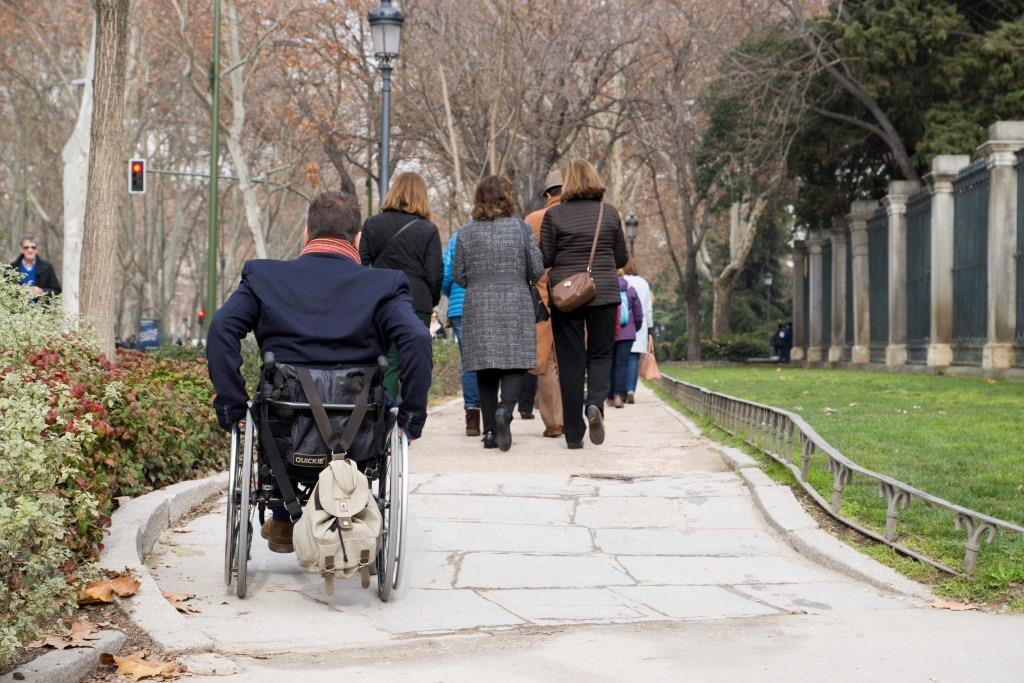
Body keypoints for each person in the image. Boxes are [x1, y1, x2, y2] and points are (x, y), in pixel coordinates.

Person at [206, 191, 433, 553]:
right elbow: (417, 340)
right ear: (357, 239)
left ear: (307, 233)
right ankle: (353, 507)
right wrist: (412, 415)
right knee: (375, 406)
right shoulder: (385, 284)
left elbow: (221, 330)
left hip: (284, 427)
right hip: (357, 428)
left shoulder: (264, 276)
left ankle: (283, 514)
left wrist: (233, 406)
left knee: (271, 408)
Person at [540, 160, 628, 449]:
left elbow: (547, 257)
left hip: (567, 296)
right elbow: (621, 258)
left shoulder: (556, 215)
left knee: (570, 361)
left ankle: (574, 433)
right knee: (601, 355)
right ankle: (595, 405)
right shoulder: (610, 213)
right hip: (603, 292)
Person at [453, 175, 543, 451]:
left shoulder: (466, 232)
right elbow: (536, 269)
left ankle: (490, 432)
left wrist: (481, 282)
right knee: (515, 364)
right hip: (516, 300)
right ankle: (505, 409)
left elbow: (458, 274)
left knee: (486, 368)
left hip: (479, 302)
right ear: (507, 197)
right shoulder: (520, 228)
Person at [360, 171, 443, 402]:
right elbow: (434, 273)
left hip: (381, 301)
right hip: (417, 303)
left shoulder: (372, 224)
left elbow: (360, 265)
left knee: (387, 361)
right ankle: (405, 422)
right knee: (413, 364)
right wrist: (431, 301)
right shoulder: (428, 229)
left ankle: (383, 419)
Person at [522, 170, 565, 437]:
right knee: (572, 358)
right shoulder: (579, 214)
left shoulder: (533, 219)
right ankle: (577, 414)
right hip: (578, 294)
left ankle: (554, 422)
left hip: (543, 298)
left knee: (548, 361)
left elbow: (529, 263)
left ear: (548, 194)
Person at [441, 230, 482, 436]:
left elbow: (446, 272)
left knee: (469, 360)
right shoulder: (505, 230)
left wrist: (452, 293)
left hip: (461, 305)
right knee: (492, 358)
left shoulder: (459, 236)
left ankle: (472, 416)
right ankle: (494, 412)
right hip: (492, 304)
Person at [608, 273, 644, 408]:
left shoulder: (607, 289)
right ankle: (619, 395)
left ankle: (610, 396)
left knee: (609, 363)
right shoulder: (630, 290)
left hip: (609, 332)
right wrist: (635, 328)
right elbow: (638, 314)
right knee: (622, 364)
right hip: (627, 334)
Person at [622, 257, 654, 404]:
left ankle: (620, 390)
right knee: (634, 358)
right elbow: (648, 308)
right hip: (639, 326)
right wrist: (650, 330)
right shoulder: (643, 283)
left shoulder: (621, 281)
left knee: (620, 358)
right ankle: (630, 389)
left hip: (622, 325)